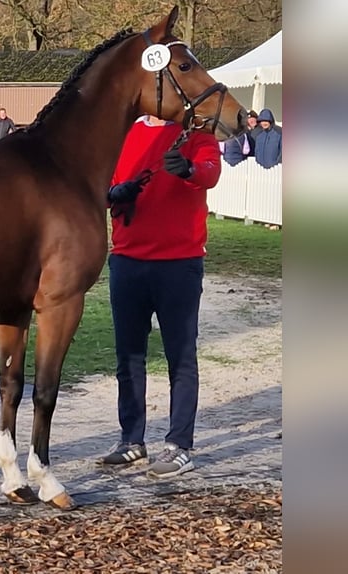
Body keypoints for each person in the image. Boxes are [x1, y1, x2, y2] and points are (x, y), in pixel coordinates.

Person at [97, 114, 221, 479]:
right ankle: (131, 440)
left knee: (180, 357)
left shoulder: (198, 135)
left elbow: (210, 173)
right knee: (128, 357)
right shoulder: (125, 133)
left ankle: (180, 445)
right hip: (127, 259)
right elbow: (102, 185)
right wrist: (111, 195)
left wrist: (187, 170)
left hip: (179, 263)